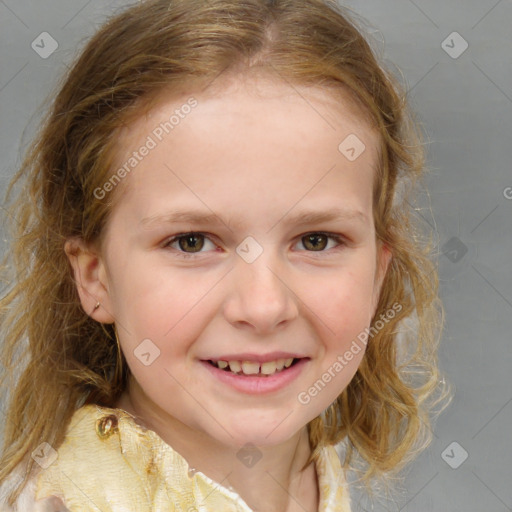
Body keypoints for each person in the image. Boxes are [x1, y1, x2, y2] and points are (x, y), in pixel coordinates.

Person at [0, 0, 449, 510]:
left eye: (316, 240)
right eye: (192, 242)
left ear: (377, 275)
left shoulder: (319, 482)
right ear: (95, 277)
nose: (263, 307)